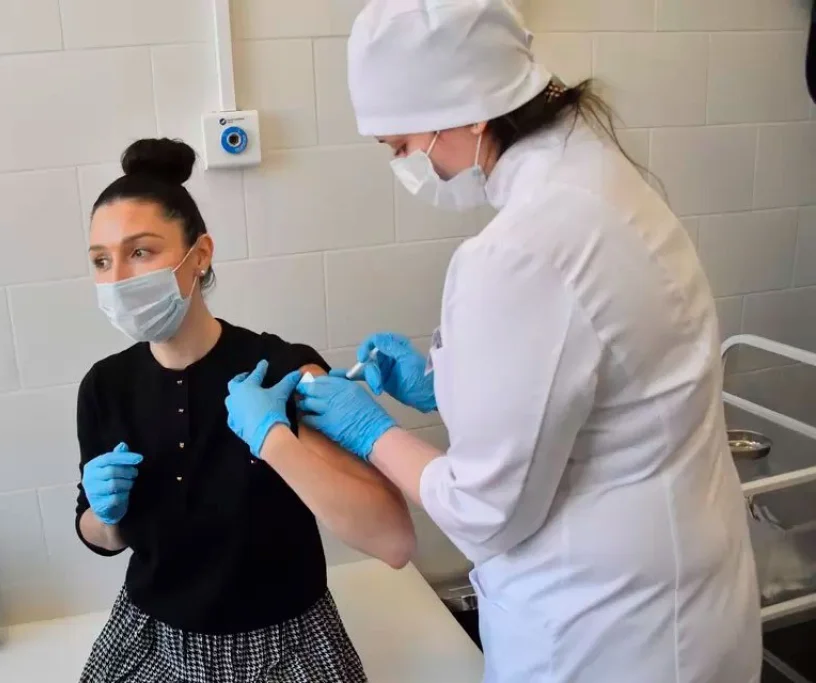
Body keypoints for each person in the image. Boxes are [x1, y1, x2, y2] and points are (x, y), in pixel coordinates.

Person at [283, 1, 762, 682]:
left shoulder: (523, 249)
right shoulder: (598, 176)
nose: (406, 165)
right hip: (687, 593)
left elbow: (484, 512)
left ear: (469, 111)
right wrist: (447, 385)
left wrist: (370, 432)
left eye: (400, 146)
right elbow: (591, 377)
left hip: (608, 632)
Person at [74, 137, 414, 683]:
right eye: (101, 260)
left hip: (287, 645)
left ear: (200, 255)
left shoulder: (282, 371)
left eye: (141, 252)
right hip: (153, 638)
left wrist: (278, 441)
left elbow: (393, 540)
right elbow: (100, 536)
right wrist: (103, 512)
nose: (118, 280)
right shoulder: (104, 387)